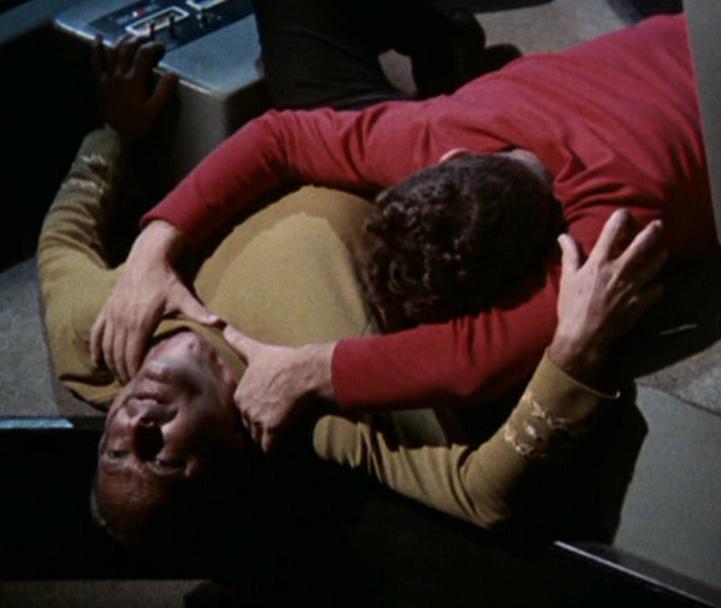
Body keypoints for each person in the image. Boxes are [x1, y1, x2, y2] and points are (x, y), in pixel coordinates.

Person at [40, 32, 663, 543]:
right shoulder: (303, 417)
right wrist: (572, 358)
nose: (135, 429)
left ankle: (443, 41)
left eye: (114, 453)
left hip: (366, 137)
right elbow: (480, 494)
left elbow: (63, 238)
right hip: (471, 216)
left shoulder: (93, 342)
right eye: (159, 457)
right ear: (224, 455)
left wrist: (115, 140)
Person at [91, 5, 716, 454]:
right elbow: (277, 137)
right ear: (447, 160)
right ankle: (437, 32)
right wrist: (154, 246)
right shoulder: (435, 132)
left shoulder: (602, 240)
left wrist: (310, 370)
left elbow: (475, 361)